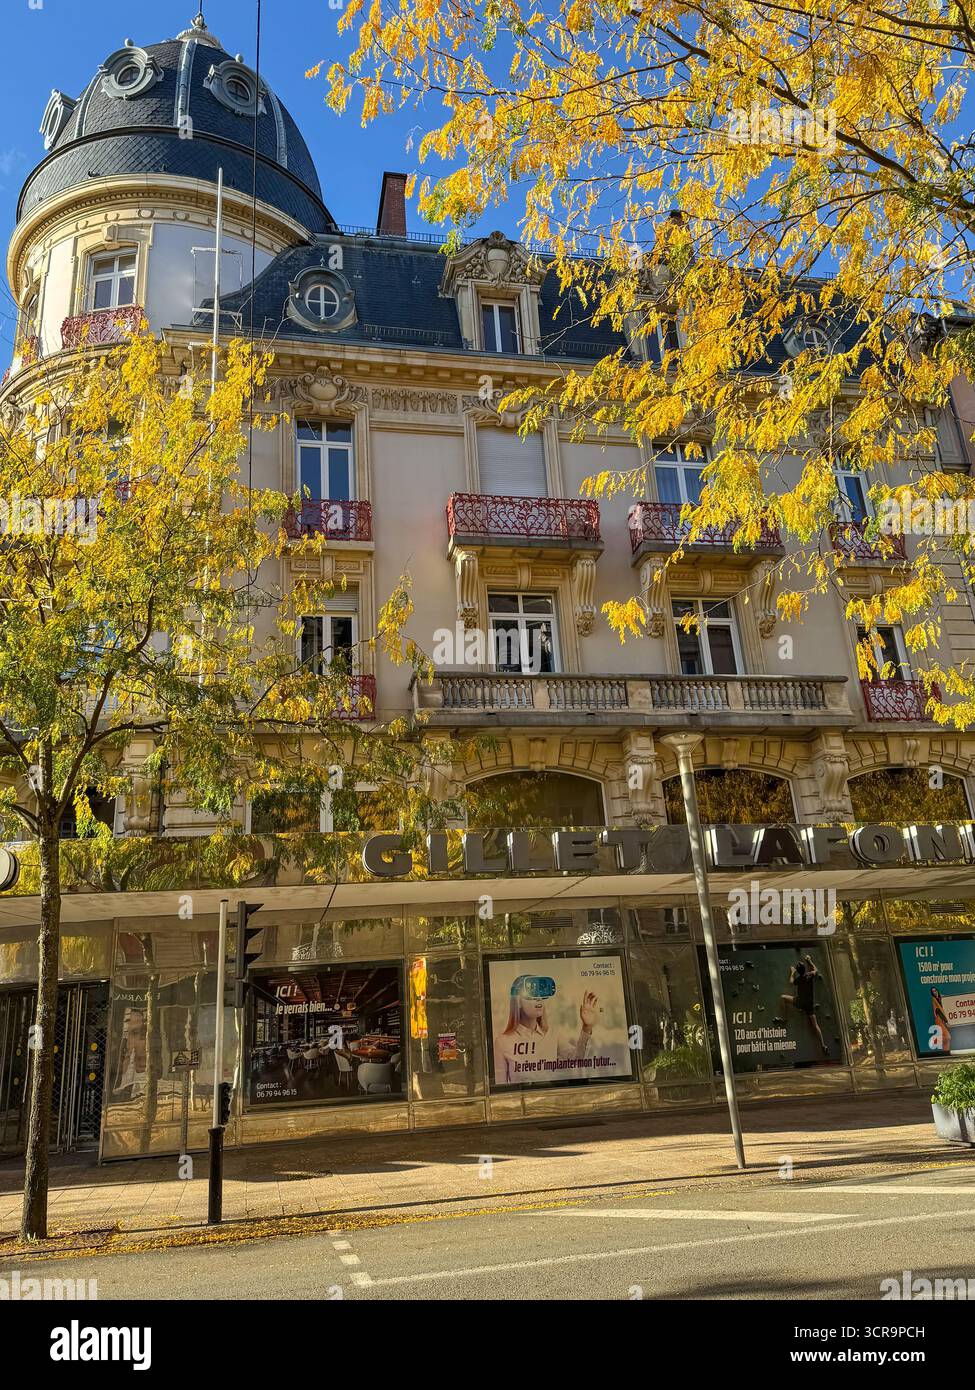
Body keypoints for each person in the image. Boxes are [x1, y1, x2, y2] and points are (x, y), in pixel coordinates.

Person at [494, 973, 600, 1084]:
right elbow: (500, 1090)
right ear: (518, 1001)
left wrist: (586, 1027)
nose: (539, 998)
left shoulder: (553, 1035)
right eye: (532, 994)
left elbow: (577, 1060)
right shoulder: (502, 1043)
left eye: (541, 993)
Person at [775, 953, 830, 1059]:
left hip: (800, 1002)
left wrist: (792, 972)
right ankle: (823, 1045)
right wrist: (810, 961)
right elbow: (816, 970)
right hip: (809, 1005)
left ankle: (785, 1018)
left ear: (798, 971)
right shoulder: (809, 975)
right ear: (805, 970)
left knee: (783, 997)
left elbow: (791, 982)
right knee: (815, 1025)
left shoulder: (798, 979)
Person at [930, 987, 953, 1054]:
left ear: (937, 991)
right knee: (948, 1037)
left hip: (944, 1019)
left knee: (946, 1042)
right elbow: (938, 1011)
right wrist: (946, 1022)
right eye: (933, 991)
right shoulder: (934, 999)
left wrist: (944, 999)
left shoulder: (941, 998)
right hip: (939, 1019)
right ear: (932, 993)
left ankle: (946, 1054)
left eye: (935, 990)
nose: (935, 992)